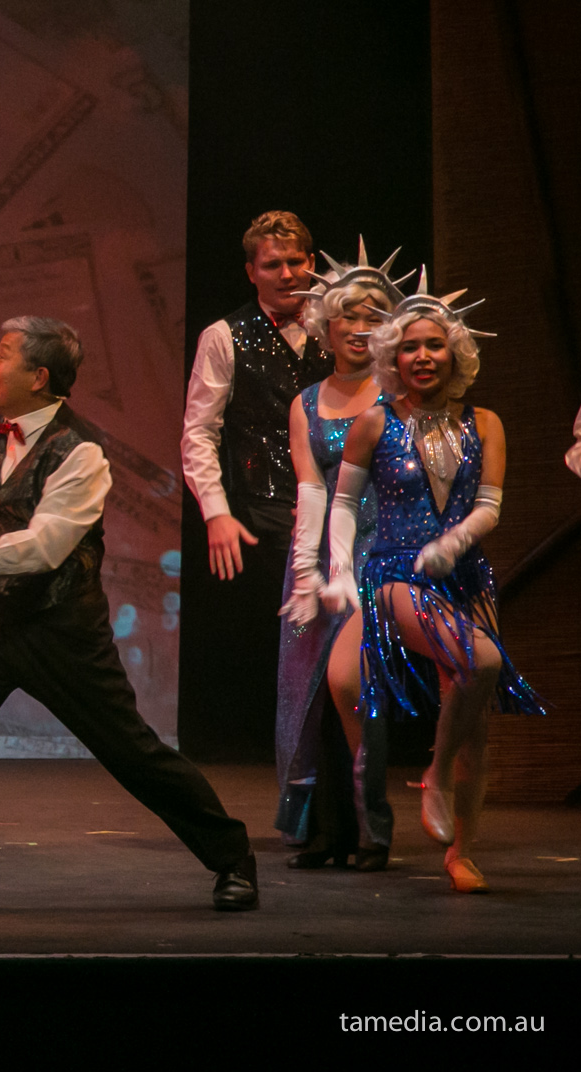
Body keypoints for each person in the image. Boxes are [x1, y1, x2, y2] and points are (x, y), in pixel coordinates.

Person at [0, 316, 258, 915]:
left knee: (129, 750)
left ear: (39, 377)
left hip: (60, 627)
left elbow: (43, 547)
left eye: (2, 356)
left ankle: (232, 857)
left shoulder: (82, 454)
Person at [322, 276, 542, 893]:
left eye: (434, 345)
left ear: (455, 353)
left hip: (464, 576)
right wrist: (339, 570)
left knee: (474, 712)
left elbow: (490, 506)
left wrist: (452, 545)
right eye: (410, 347)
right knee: (460, 663)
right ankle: (422, 784)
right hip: (395, 574)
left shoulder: (485, 423)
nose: (422, 356)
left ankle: (460, 847)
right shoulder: (374, 423)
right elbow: (344, 504)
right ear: (393, 358)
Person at [180, 210, 333, 760]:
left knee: (349, 640)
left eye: (295, 262)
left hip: (344, 503)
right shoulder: (225, 336)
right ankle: (305, 775)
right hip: (268, 510)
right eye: (272, 265)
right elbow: (199, 432)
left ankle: (343, 775)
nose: (287, 274)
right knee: (306, 640)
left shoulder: (338, 326)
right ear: (251, 272)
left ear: (312, 263)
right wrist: (216, 512)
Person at [275, 243, 400, 871]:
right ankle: (322, 829)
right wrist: (306, 572)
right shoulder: (306, 402)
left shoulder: (398, 397)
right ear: (326, 326)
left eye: (373, 315)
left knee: (355, 688)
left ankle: (370, 827)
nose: (358, 326)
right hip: (320, 551)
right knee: (309, 693)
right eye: (348, 314)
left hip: (384, 551)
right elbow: (311, 487)